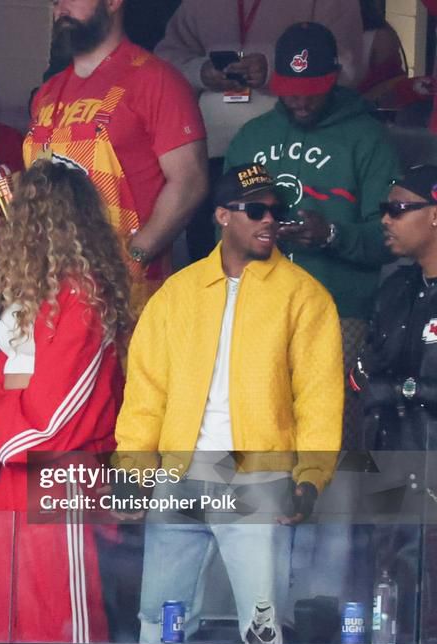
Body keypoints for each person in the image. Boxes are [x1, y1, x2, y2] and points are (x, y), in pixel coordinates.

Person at [115, 163, 343, 644]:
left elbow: (319, 400)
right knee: (158, 623)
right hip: (179, 472)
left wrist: (310, 478)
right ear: (222, 215)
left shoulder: (304, 296)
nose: (269, 221)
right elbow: (145, 395)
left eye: (275, 212)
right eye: (255, 210)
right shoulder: (176, 294)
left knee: (263, 629)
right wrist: (134, 472)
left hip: (261, 473)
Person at [0, 159, 131, 643]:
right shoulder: (33, 293)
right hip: (5, 468)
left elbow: (56, 413)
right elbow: (1, 376)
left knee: (62, 624)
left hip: (56, 473)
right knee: (1, 617)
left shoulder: (83, 295)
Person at [224, 21, 401, 449]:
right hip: (257, 307)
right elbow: (223, 225)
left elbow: (392, 237)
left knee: (333, 436)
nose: (300, 102)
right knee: (256, 430)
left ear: (335, 77)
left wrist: (331, 234)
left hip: (341, 311)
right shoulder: (253, 136)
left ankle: (332, 517)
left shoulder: (368, 139)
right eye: (290, 89)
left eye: (313, 89)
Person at [18, 0, 208, 313]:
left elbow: (191, 182)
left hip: (129, 292)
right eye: (55, 2)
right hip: (52, 286)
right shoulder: (47, 93)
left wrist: (135, 257)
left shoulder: (156, 80)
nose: (60, 8)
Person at [156, 0, 364, 263]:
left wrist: (279, 69)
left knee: (287, 243)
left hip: (289, 144)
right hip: (209, 145)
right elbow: (165, 59)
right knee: (209, 250)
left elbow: (349, 66)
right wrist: (200, 72)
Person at [351, 164, 437, 453]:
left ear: (435, 215)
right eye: (384, 209)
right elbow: (361, 375)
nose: (385, 219)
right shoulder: (394, 289)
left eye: (397, 209)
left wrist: (399, 389)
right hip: (391, 460)